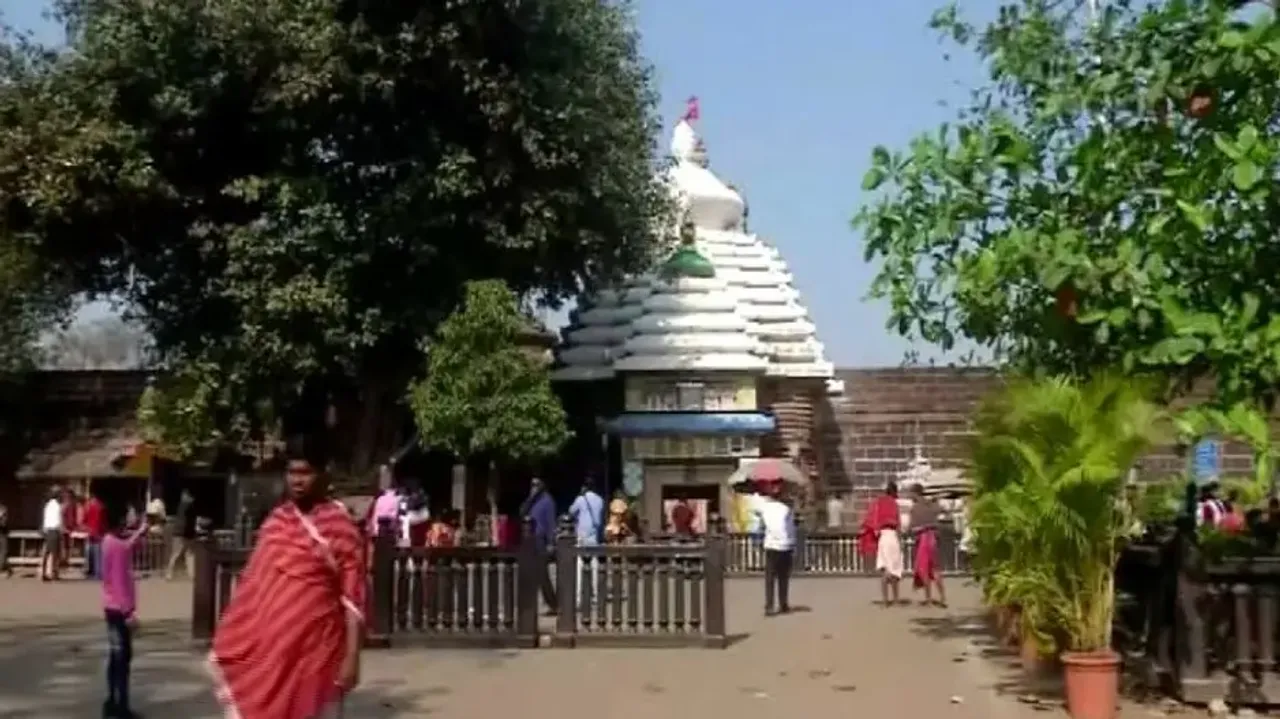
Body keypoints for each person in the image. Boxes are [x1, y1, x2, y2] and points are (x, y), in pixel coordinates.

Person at [210, 436, 364, 719]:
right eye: (292, 472)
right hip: (272, 650)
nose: (297, 480)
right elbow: (253, 587)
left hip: (320, 652)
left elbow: (353, 598)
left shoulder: (340, 525)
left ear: (322, 475)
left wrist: (353, 656)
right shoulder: (276, 523)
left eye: (305, 472)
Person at [101, 502, 150, 719]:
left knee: (116, 656)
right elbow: (120, 581)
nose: (132, 517)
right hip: (120, 609)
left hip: (111, 606)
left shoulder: (109, 541)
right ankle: (121, 707)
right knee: (122, 658)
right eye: (129, 514)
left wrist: (138, 532)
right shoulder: (115, 545)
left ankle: (112, 701)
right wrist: (129, 612)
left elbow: (130, 546)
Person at [752, 480, 795, 616]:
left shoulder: (765, 509)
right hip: (785, 545)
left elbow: (761, 526)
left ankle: (769, 606)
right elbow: (790, 529)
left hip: (770, 545)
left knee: (769, 578)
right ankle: (783, 604)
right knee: (783, 577)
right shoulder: (787, 509)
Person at [859, 481, 904, 606]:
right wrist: (900, 541)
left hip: (882, 537)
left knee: (885, 569)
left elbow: (871, 520)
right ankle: (895, 599)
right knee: (894, 570)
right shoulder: (894, 504)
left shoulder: (878, 502)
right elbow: (898, 523)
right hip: (892, 535)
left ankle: (885, 601)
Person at [521, 477, 558, 614]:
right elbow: (522, 512)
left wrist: (550, 542)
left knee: (542, 574)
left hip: (541, 540)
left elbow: (551, 523)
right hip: (529, 540)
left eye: (536, 485)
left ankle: (553, 603)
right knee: (530, 573)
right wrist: (530, 498)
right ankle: (530, 604)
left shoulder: (547, 501)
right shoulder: (532, 501)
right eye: (532, 485)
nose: (534, 487)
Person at [908, 483, 947, 608]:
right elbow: (943, 511)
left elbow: (912, 528)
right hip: (933, 538)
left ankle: (929, 599)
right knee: (935, 569)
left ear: (915, 493)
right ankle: (942, 598)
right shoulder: (931, 504)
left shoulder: (915, 508)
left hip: (923, 539)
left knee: (924, 569)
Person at [568, 479, 604, 608]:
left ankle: (578, 597)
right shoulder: (600, 500)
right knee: (594, 564)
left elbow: (571, 511)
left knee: (579, 564)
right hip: (593, 536)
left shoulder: (580, 499)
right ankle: (595, 595)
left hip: (582, 535)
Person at [165, 490, 197, 580]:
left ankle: (171, 574)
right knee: (184, 554)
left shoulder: (181, 506)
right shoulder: (187, 506)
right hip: (183, 533)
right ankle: (190, 574)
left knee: (180, 553)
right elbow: (188, 521)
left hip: (181, 533)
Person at [41, 487, 65, 581]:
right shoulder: (58, 506)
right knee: (55, 553)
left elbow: (45, 519)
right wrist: (61, 531)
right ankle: (54, 573)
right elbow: (59, 520)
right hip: (55, 530)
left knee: (46, 553)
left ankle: (44, 572)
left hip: (48, 530)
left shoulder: (47, 505)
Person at [83, 493, 106, 580]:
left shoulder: (87, 506)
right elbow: (103, 521)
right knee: (98, 553)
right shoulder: (101, 507)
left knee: (90, 553)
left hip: (90, 532)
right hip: (99, 532)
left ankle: (90, 571)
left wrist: (87, 528)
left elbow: (84, 520)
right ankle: (98, 573)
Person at [0, 501, 10, 578]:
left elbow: (4, 522)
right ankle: (2, 568)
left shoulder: (3, 508)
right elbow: (4, 523)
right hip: (2, 533)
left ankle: (3, 567)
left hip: (2, 532)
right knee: (3, 550)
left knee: (4, 551)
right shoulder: (3, 509)